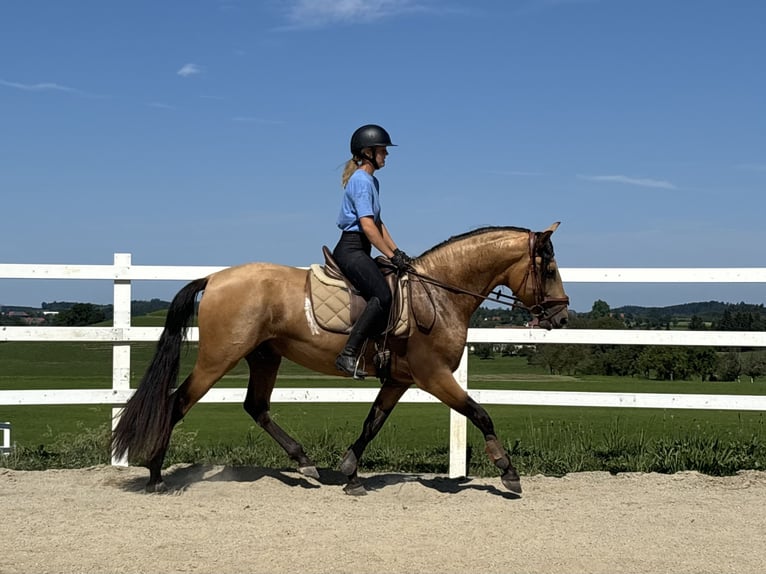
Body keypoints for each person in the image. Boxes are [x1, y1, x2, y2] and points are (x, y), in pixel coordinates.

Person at [332, 124, 412, 379]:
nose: (386, 155)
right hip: (351, 248)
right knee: (382, 295)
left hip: (362, 247)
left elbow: (379, 223)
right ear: (368, 152)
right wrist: (390, 255)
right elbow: (366, 226)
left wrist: (397, 252)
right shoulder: (360, 182)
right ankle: (347, 354)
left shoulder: (372, 182)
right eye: (382, 151)